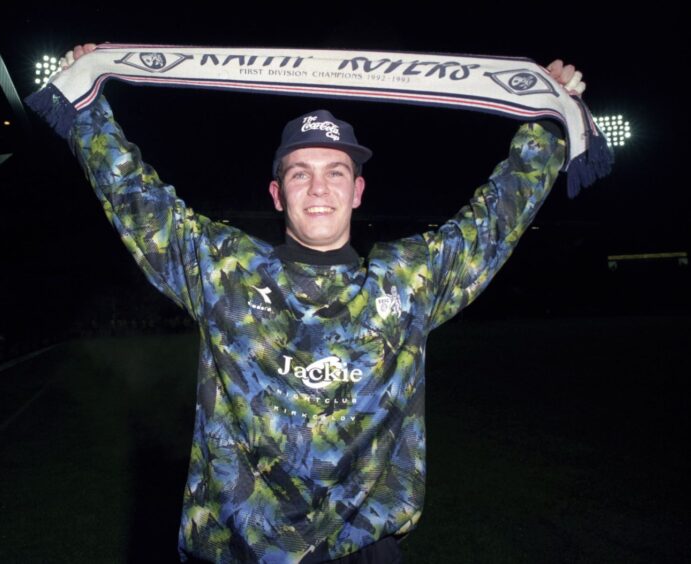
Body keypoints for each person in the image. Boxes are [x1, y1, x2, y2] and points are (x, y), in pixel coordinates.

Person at [51, 44, 584, 563]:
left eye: (336, 172)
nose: (319, 188)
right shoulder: (225, 272)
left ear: (357, 190)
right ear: (278, 194)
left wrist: (549, 115)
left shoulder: (405, 281)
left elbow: (494, 222)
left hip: (365, 548)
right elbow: (135, 198)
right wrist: (87, 102)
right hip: (241, 549)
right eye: (300, 172)